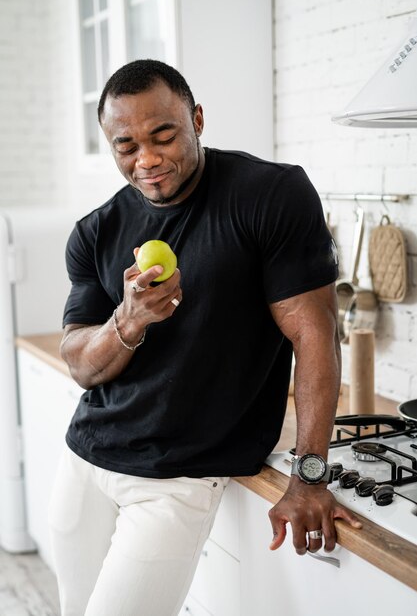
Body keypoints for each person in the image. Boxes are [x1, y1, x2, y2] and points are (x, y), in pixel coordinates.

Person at [48, 59, 361, 616]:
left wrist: (309, 475)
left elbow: (316, 337)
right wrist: (130, 320)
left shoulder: (270, 194)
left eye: (163, 135)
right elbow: (80, 364)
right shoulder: (95, 231)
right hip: (87, 461)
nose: (146, 159)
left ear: (196, 119)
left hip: (177, 479)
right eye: (126, 146)